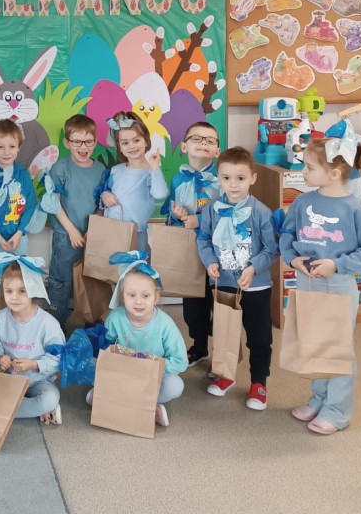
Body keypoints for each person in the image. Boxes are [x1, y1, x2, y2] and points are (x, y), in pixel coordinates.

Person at [280, 122, 361, 435]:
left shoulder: (356, 209)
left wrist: (337, 265)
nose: (303, 171)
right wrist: (292, 258)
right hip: (307, 283)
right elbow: (287, 234)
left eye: (309, 167)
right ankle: (320, 399)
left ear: (334, 173)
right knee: (314, 343)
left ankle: (337, 411)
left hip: (338, 286)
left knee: (336, 347)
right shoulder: (303, 202)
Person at [196, 146, 279, 410]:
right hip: (224, 284)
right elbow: (203, 239)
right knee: (224, 332)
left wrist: (253, 268)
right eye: (226, 178)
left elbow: (272, 249)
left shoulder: (261, 212)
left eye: (240, 178)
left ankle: (259, 383)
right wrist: (209, 261)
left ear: (252, 178)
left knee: (259, 336)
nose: (233, 184)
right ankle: (226, 374)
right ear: (219, 178)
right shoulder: (212, 209)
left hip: (255, 286)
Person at [88, 256, 188, 427]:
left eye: (146, 295)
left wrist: (153, 366)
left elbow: (180, 361)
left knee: (175, 385)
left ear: (156, 297)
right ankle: (143, 405)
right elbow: (105, 351)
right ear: (122, 296)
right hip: (123, 373)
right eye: (131, 295)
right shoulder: (115, 318)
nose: (138, 301)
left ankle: (119, 399)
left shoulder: (165, 324)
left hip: (151, 378)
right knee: (89, 365)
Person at [161, 120, 222, 367]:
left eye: (210, 140)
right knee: (193, 304)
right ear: (184, 146)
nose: (203, 143)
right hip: (189, 249)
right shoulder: (178, 178)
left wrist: (200, 220)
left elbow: (231, 210)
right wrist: (176, 214)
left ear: (217, 150)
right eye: (196, 138)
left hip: (218, 250)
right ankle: (199, 345)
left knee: (220, 301)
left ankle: (223, 349)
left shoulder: (222, 179)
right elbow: (172, 209)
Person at [0, 255, 65, 424]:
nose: (14, 297)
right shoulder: (0, 318)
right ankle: (32, 409)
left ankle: (0, 410)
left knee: (50, 398)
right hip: (8, 380)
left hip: (39, 382)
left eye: (22, 291)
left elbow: (59, 358)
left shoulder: (47, 323)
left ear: (33, 290)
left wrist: (34, 364)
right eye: (9, 291)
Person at [47, 114, 108, 325]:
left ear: (95, 142)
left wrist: (93, 229)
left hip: (91, 235)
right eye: (77, 142)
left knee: (93, 280)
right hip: (66, 236)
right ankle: (56, 327)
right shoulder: (60, 168)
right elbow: (54, 204)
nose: (83, 147)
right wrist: (72, 231)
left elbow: (102, 205)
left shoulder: (101, 170)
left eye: (88, 142)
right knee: (60, 282)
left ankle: (93, 326)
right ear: (67, 143)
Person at [0, 120, 37, 316]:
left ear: (19, 148)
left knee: (19, 280)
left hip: (18, 238)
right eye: (0, 147)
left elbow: (30, 206)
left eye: (11, 146)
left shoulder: (23, 175)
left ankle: (18, 317)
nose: (6, 152)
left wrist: (19, 233)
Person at [100, 112, 169, 253]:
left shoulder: (151, 172)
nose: (131, 146)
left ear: (146, 141)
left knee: (137, 265)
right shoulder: (115, 170)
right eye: (125, 143)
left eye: (136, 140)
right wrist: (104, 195)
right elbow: (105, 191)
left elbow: (160, 194)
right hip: (112, 229)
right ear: (119, 147)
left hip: (137, 232)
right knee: (110, 264)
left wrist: (155, 168)